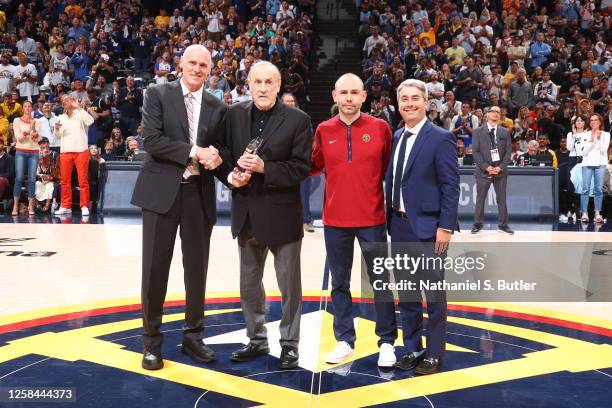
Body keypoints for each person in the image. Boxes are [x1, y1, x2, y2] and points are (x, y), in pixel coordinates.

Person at [130, 45, 227, 371]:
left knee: (196, 271)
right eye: (192, 63)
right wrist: (197, 152)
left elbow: (221, 150)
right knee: (155, 271)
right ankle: (151, 341)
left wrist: (222, 161)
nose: (197, 69)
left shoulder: (217, 105)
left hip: (198, 196)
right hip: (160, 194)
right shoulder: (157, 93)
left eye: (204, 64)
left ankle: (193, 336)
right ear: (181, 64)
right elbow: (153, 142)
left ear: (210, 68)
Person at [218, 61, 311, 370]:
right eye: (257, 81)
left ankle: (290, 344)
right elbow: (224, 157)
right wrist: (233, 174)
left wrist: (263, 168)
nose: (263, 87)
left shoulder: (298, 120)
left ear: (279, 84)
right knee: (249, 285)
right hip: (246, 211)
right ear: (248, 82)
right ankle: (256, 339)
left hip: (282, 215)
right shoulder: (232, 115)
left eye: (269, 82)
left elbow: (301, 167)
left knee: (289, 287)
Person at [311, 73, 397, 367]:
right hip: (335, 220)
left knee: (381, 282)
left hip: (372, 218)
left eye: (354, 92)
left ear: (364, 97)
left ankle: (387, 342)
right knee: (340, 283)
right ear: (334, 96)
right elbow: (314, 164)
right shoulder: (323, 129)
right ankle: (344, 340)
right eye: (343, 92)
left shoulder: (380, 128)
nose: (349, 98)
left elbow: (388, 168)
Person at [385, 79, 459, 375]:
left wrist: (446, 227)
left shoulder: (440, 137)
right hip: (399, 225)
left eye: (415, 98)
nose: (410, 104)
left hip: (429, 228)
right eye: (404, 99)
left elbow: (451, 186)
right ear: (398, 103)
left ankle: (435, 353)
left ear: (426, 102)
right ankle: (413, 348)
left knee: (434, 295)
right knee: (408, 293)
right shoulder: (397, 135)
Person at [471, 105, 514, 235]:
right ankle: (478, 224)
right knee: (480, 198)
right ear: (487, 114)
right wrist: (487, 167)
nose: (496, 114)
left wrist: (500, 167)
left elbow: (508, 152)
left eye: (498, 112)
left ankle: (503, 224)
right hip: (484, 171)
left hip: (500, 171)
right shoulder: (478, 131)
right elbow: (476, 152)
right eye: (493, 111)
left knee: (501, 198)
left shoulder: (505, 132)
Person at [53, 95, 95, 216]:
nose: (64, 102)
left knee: (83, 181)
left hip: (81, 150)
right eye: (63, 101)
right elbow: (57, 135)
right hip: (65, 151)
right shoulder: (60, 117)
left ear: (72, 101)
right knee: (65, 181)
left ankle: (84, 206)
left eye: (67, 100)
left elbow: (90, 121)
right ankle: (66, 206)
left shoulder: (80, 113)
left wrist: (80, 108)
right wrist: (56, 129)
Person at [281, 92, 315, 232]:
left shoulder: (304, 119)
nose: (290, 103)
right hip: (283, 163)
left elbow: (310, 140)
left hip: (301, 162)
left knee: (304, 194)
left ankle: (306, 221)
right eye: (287, 101)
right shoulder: (276, 119)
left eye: (292, 101)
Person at [12, 100, 42, 215]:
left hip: (34, 152)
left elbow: (37, 139)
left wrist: (33, 128)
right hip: (20, 151)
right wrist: (28, 130)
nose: (28, 108)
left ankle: (30, 206)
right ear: (23, 108)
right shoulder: (17, 120)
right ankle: (15, 206)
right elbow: (19, 138)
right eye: (25, 106)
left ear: (32, 109)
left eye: (30, 106)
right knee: (19, 178)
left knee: (32, 180)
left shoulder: (37, 122)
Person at [579, 114, 610, 223]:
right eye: (591, 120)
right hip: (587, 163)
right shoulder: (585, 134)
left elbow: (603, 149)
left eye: (595, 120)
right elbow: (583, 152)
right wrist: (592, 139)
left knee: (598, 189)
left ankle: (597, 213)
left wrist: (598, 137)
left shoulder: (606, 134)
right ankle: (584, 213)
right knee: (585, 189)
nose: (593, 122)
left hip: (600, 163)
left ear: (600, 122)